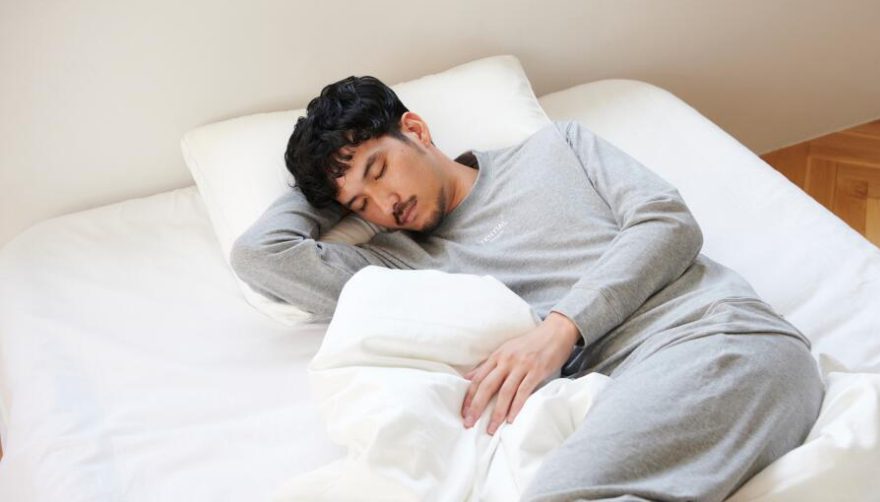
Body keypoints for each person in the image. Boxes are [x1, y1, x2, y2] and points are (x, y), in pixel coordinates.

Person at [230, 75, 824, 502]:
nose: (385, 205)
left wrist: (561, 329)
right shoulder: (398, 266)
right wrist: (322, 183)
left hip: (718, 337)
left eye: (379, 170)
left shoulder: (557, 148)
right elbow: (261, 255)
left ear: (415, 129)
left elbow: (668, 224)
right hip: (620, 396)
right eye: (360, 205)